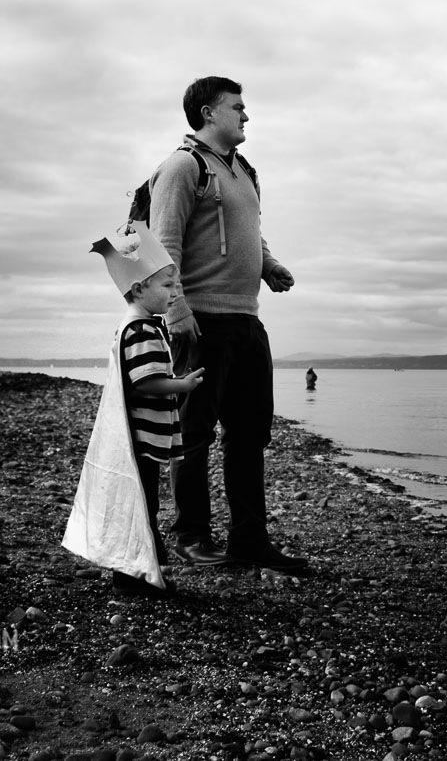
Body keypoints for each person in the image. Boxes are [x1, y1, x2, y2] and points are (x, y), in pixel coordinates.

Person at [150, 75, 301, 571]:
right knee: (193, 435)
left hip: (247, 320)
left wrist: (269, 264)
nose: (246, 115)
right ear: (209, 113)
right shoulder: (182, 167)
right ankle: (191, 537)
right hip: (201, 321)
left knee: (250, 433)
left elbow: (251, 233)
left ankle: (248, 540)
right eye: (238, 107)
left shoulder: (246, 171)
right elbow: (163, 243)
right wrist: (176, 309)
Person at [90, 232, 202, 595]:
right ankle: (134, 576)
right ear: (138, 288)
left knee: (142, 504)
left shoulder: (142, 325)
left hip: (141, 438)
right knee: (142, 505)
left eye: (176, 286)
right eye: (168, 285)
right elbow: (145, 382)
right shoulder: (141, 329)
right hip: (141, 440)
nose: (175, 293)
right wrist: (182, 385)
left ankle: (143, 570)